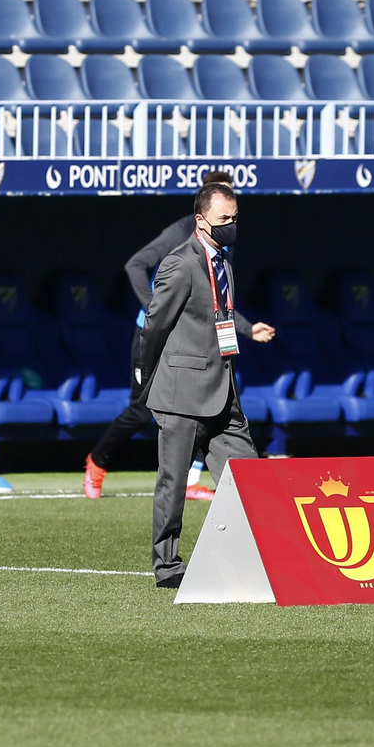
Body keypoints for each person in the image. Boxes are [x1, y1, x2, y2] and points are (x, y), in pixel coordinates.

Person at [140, 179, 275, 588]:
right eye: (224, 219)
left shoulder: (224, 260)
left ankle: (269, 552)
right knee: (174, 483)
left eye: (235, 218)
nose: (231, 225)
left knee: (250, 474)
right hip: (182, 392)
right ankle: (167, 566)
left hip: (222, 388)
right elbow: (156, 323)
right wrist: (147, 378)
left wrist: (248, 330)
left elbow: (222, 314)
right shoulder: (180, 263)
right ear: (201, 221)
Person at [83, 174, 229, 501]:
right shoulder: (179, 233)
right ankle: (97, 462)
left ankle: (191, 480)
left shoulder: (221, 244)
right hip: (152, 334)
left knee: (208, 404)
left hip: (192, 338)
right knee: (142, 409)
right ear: (205, 205)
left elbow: (221, 296)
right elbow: (135, 265)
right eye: (223, 206)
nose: (230, 216)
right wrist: (155, 308)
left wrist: (245, 328)